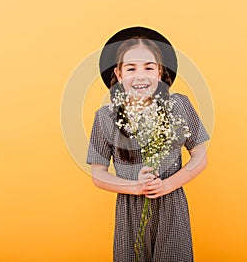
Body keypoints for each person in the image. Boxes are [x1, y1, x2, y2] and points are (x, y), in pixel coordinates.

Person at [86, 26, 210, 262]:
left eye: (149, 67)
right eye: (131, 68)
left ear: (160, 72)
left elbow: (200, 155)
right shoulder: (105, 117)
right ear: (119, 75)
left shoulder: (179, 105)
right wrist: (136, 187)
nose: (140, 75)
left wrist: (166, 185)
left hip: (172, 206)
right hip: (129, 210)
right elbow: (97, 174)